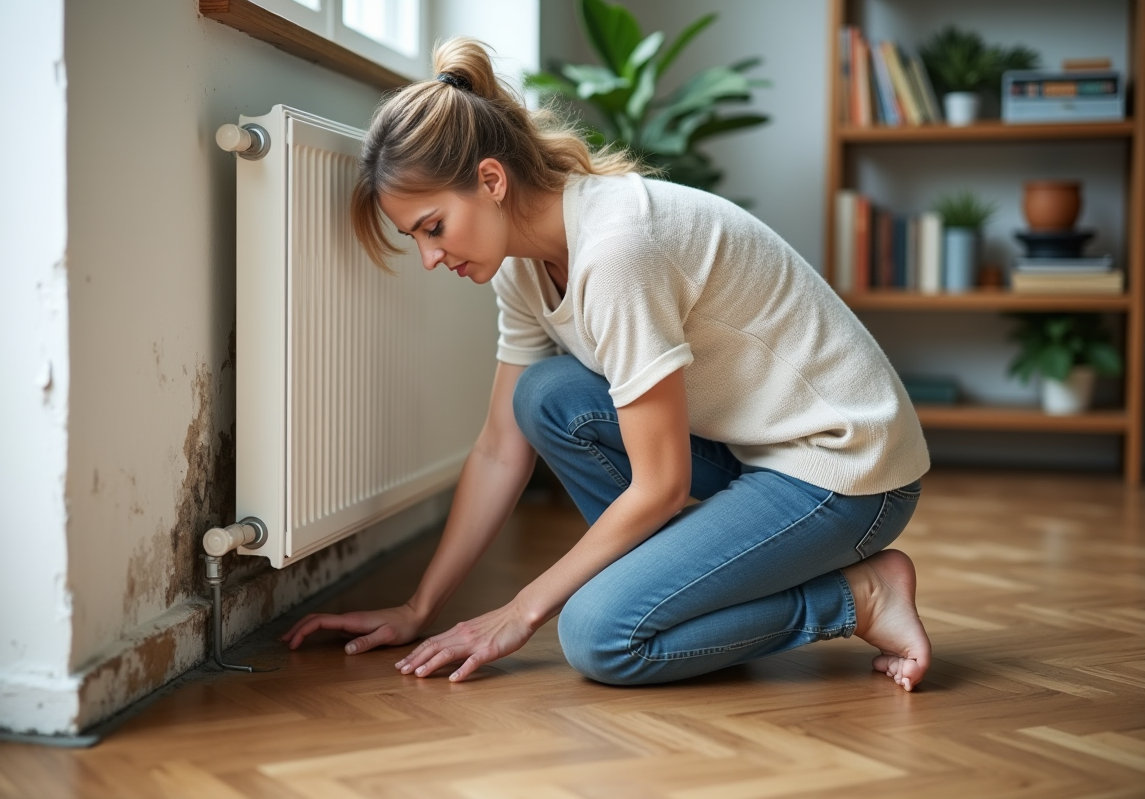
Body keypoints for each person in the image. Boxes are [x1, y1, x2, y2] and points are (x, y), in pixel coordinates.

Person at [281, 37, 933, 692]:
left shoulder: (617, 250)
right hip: (754, 448)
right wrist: (418, 608)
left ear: (491, 181)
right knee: (544, 397)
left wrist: (517, 613)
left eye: (433, 227)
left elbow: (662, 485)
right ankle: (675, 584)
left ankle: (860, 596)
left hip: (847, 470)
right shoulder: (522, 267)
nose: (429, 258)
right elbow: (500, 449)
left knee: (601, 635)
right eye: (415, 239)